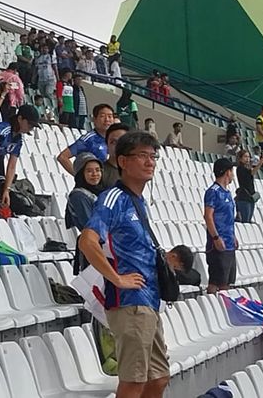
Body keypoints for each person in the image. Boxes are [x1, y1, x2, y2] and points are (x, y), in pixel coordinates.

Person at [78, 131, 169, 397]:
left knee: (159, 378)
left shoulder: (136, 200)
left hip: (149, 299)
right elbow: (87, 240)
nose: (150, 161)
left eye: (153, 156)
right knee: (134, 381)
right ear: (122, 161)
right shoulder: (113, 198)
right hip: (129, 302)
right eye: (142, 156)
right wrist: (117, 278)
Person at [0, 104, 40, 208]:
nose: (30, 129)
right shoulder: (2, 131)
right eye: (29, 124)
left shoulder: (18, 140)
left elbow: (12, 166)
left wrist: (6, 190)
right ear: (20, 119)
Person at [204, 158, 237, 294]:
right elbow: (208, 216)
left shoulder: (228, 193)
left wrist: (233, 236)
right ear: (227, 172)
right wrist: (216, 237)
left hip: (229, 242)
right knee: (216, 281)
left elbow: (229, 218)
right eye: (232, 171)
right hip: (218, 243)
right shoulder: (213, 191)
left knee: (226, 282)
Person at [57, 104, 114, 174]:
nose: (107, 119)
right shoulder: (89, 139)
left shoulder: (112, 139)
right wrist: (78, 177)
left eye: (110, 116)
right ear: (94, 120)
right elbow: (62, 157)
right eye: (102, 116)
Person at [66, 152, 105, 234]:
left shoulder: (102, 192)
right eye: (89, 171)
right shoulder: (78, 196)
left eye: (97, 170)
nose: (95, 174)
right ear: (81, 174)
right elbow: (90, 226)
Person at [234, 149, 263, 224]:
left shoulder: (247, 168)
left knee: (248, 218)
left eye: (248, 157)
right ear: (240, 158)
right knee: (245, 220)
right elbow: (252, 173)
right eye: (245, 157)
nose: (247, 159)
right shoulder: (240, 168)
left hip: (250, 196)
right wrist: (260, 163)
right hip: (244, 197)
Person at [102, 123, 131, 188]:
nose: (118, 146)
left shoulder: (136, 171)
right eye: (113, 142)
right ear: (107, 146)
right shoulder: (100, 172)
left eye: (122, 142)